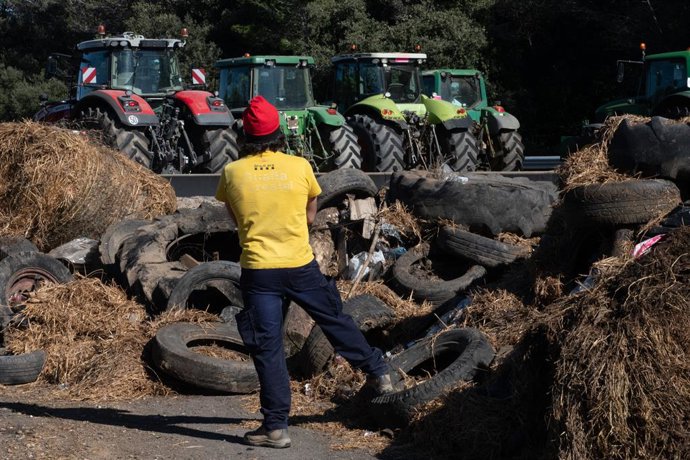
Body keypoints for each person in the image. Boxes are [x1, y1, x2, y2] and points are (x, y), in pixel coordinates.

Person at [215, 96, 393, 449]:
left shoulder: (232, 172)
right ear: (279, 133)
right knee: (333, 319)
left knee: (268, 348)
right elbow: (311, 216)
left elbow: (235, 220)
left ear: (245, 136)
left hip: (260, 271)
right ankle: (379, 372)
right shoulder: (300, 166)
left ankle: (276, 428)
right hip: (299, 264)